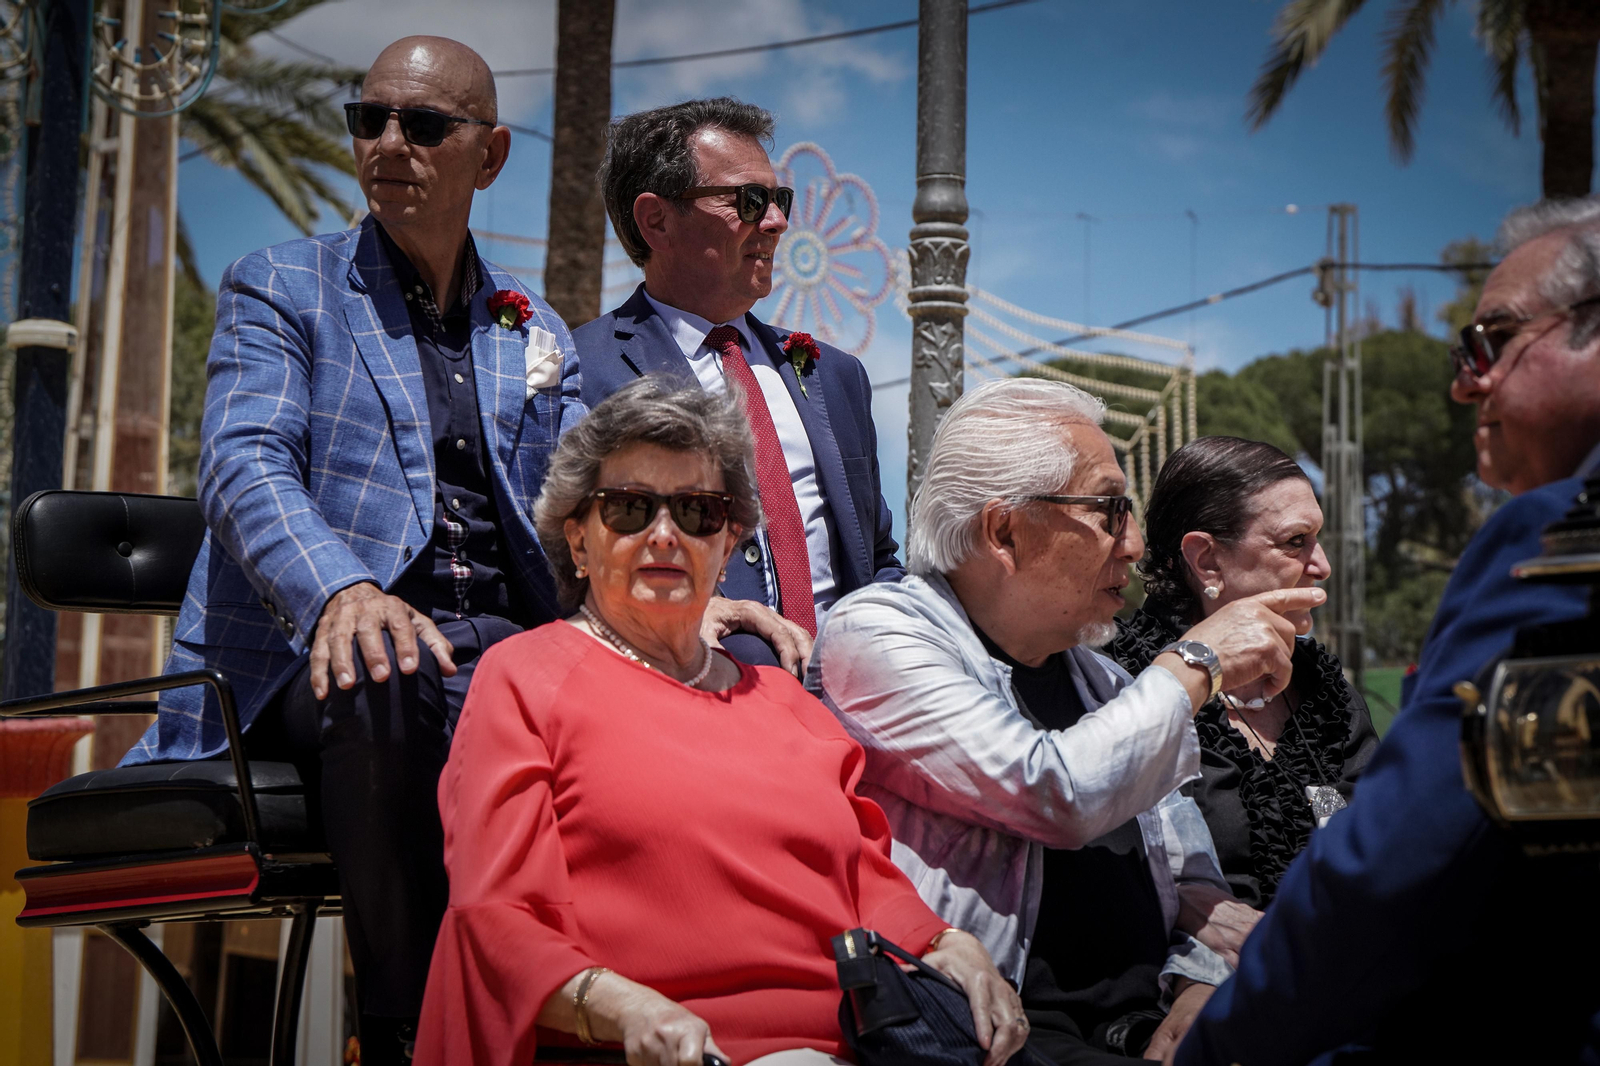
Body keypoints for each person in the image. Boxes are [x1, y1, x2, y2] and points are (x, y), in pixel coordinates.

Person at [120, 37, 584, 1062]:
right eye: (367, 119)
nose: (387, 143)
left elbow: (578, 509)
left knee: (649, 703)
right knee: (386, 665)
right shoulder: (283, 284)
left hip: (502, 652)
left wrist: (681, 608)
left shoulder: (532, 324)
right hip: (312, 660)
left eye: (422, 125)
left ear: (490, 153)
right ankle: (407, 1031)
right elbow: (243, 465)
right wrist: (342, 589)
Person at [414, 378, 1026, 1066]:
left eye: (699, 512)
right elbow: (495, 919)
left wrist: (948, 943)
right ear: (579, 541)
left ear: (729, 545)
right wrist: (625, 1006)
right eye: (630, 509)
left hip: (862, 1046)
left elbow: (864, 881)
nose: (665, 534)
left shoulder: (787, 700)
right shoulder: (523, 676)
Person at [1174, 198, 1600, 1065]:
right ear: (1204, 562)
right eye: (1296, 544)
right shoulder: (1132, 693)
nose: (1463, 382)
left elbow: (1400, 866)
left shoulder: (1559, 536)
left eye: (1490, 343)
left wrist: (1223, 1047)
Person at [808, 379, 1324, 1064]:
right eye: (1110, 511)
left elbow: (1196, 884)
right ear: (1004, 530)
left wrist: (1203, 983)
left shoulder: (1102, 679)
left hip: (1140, 1027)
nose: (1135, 544)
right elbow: (1051, 791)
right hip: (996, 1033)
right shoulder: (876, 634)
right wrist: (1197, 660)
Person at [573, 98, 899, 671]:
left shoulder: (834, 374)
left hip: (851, 707)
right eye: (748, 201)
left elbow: (874, 556)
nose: (775, 221)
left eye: (780, 200)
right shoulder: (583, 369)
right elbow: (561, 557)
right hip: (688, 693)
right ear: (656, 221)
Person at [1106, 437, 1379, 908]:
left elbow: (1376, 837)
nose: (1323, 565)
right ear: (1207, 560)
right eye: (1295, 542)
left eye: (1317, 538)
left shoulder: (1323, 691)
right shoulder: (1117, 683)